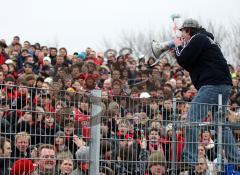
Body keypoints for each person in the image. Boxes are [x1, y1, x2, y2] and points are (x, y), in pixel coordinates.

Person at [174, 18, 239, 166]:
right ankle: (236, 160)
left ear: (189, 30)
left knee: (192, 119)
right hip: (222, 85)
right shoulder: (206, 40)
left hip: (212, 84)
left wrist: (178, 47)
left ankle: (189, 161)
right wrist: (178, 52)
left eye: (182, 32)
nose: (181, 36)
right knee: (220, 124)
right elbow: (191, 63)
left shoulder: (198, 38)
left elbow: (184, 59)